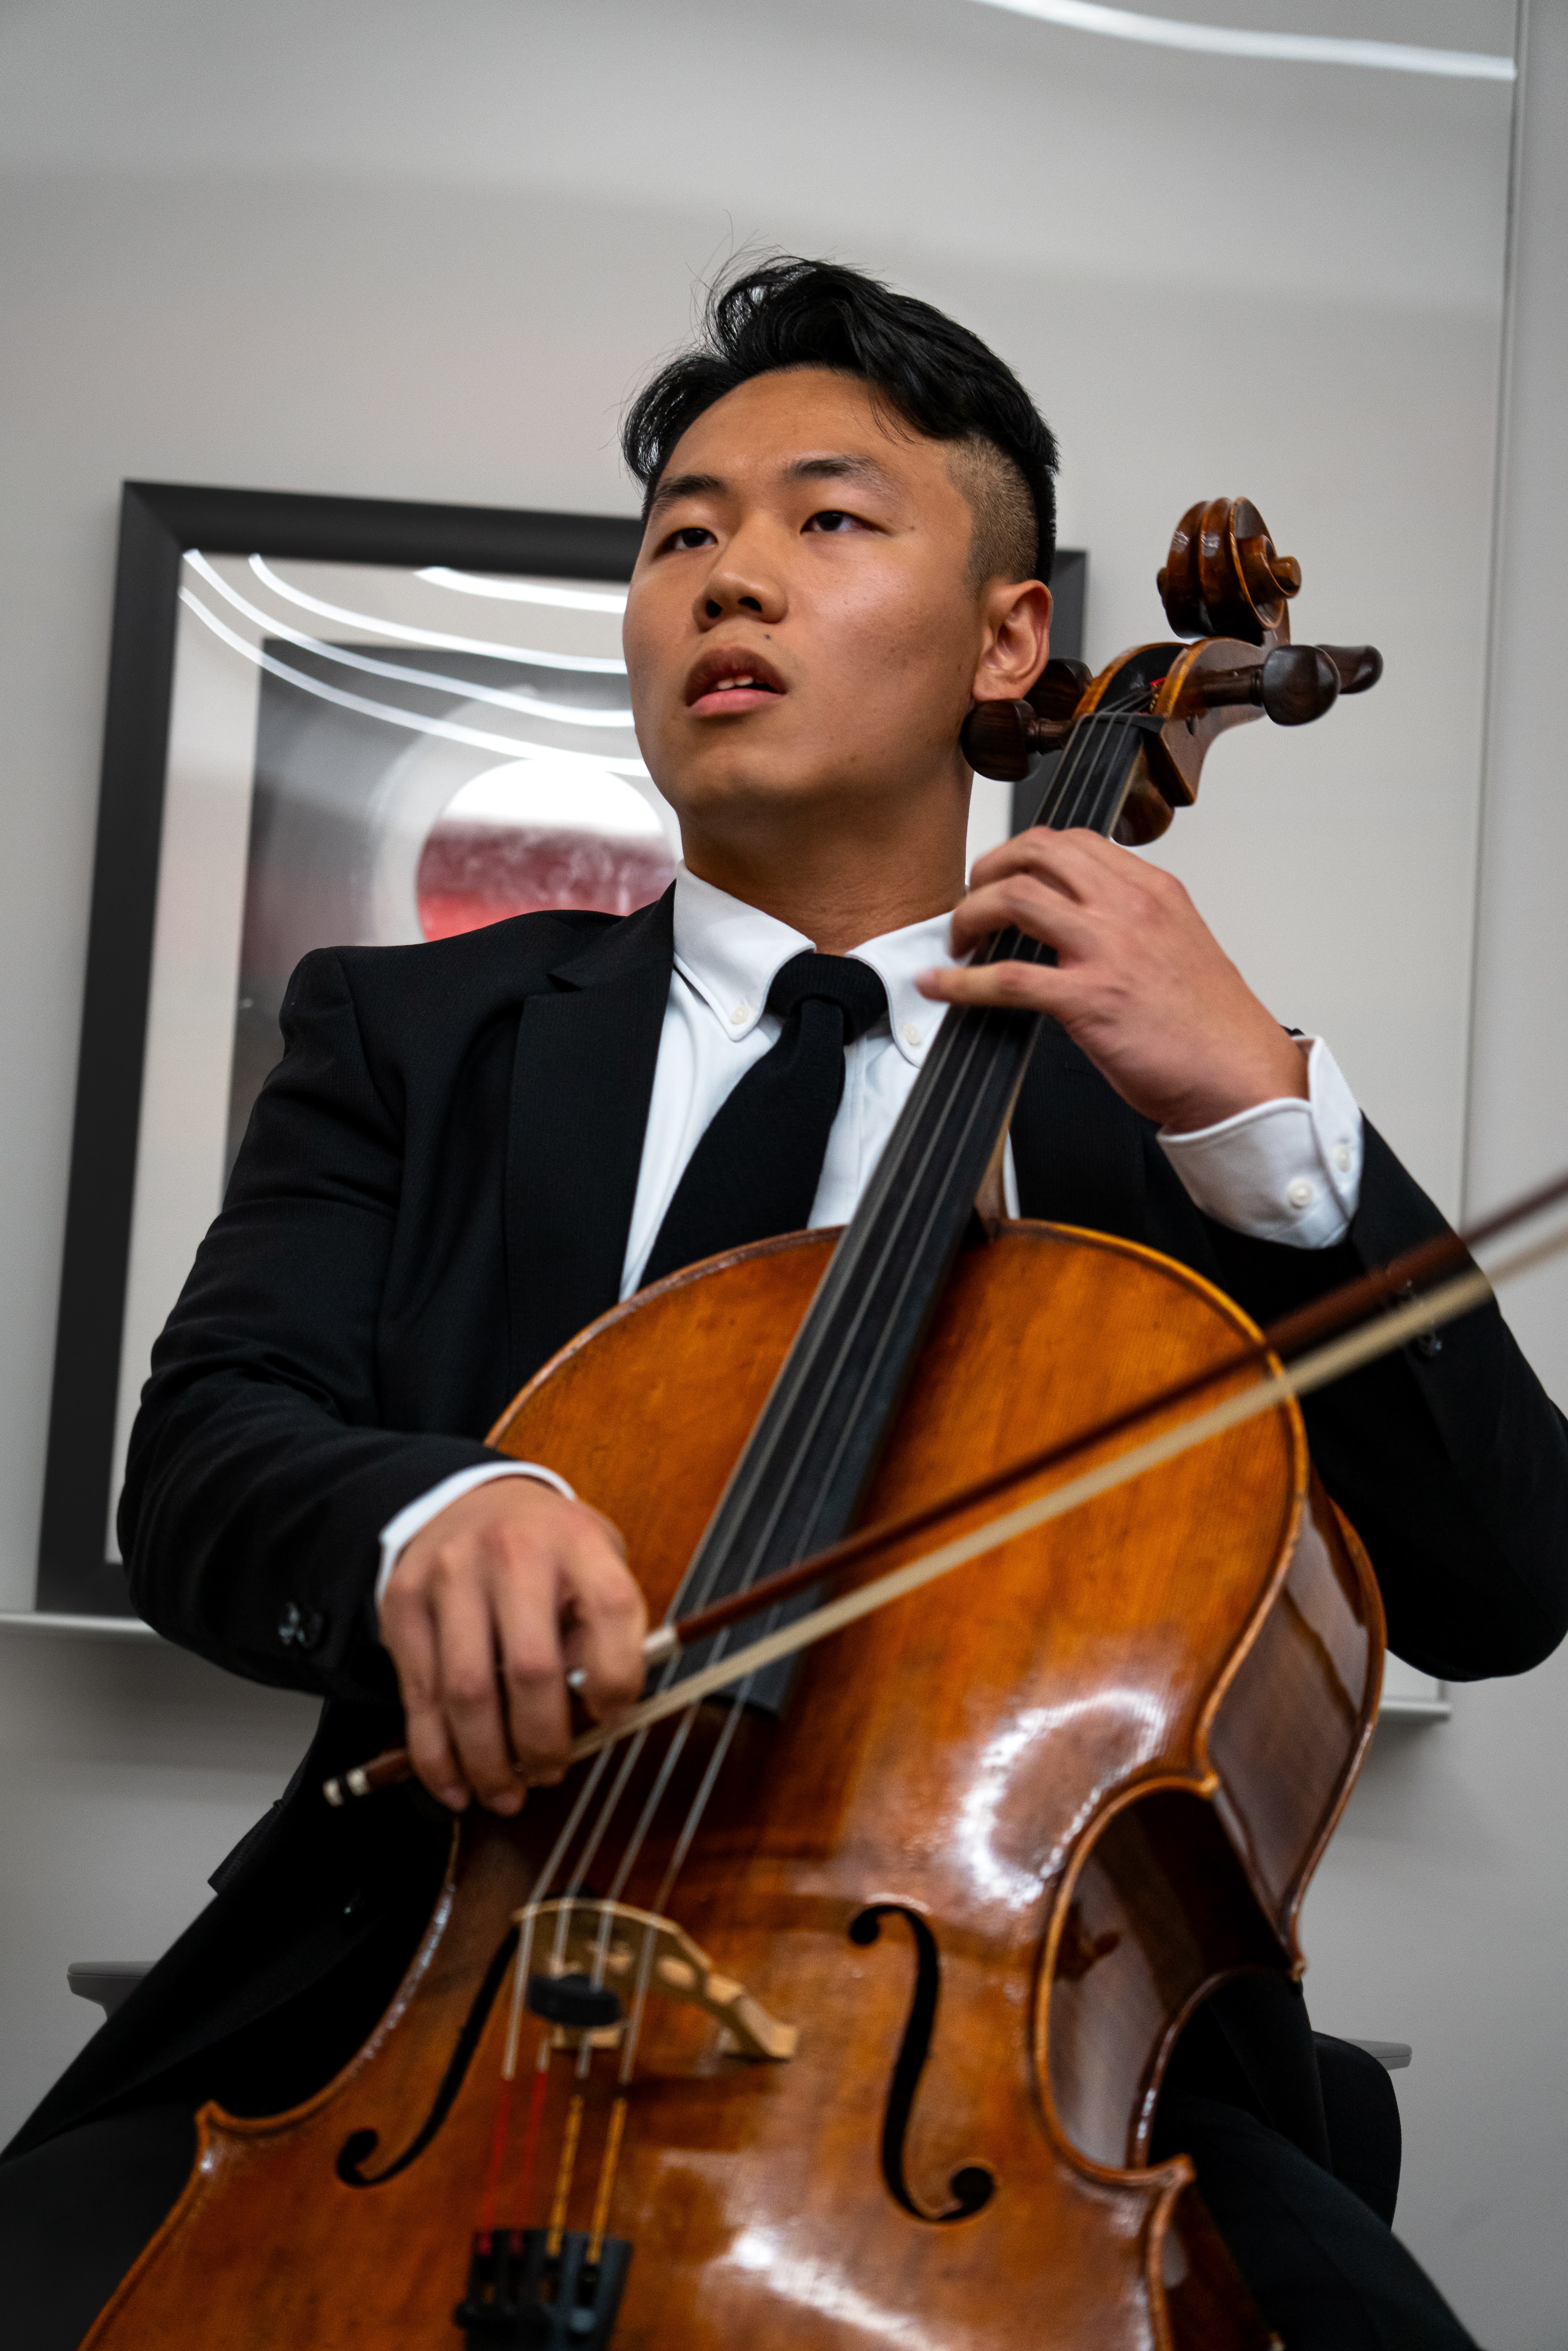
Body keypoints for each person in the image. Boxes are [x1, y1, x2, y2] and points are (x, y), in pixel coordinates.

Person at [4, 257, 1565, 2351]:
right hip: (399, 2008)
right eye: (680, 537)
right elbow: (207, 1457)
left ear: (1013, 639)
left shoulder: (1162, 1102)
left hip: (1019, 2078)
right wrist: (418, 1518)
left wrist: (1263, 1116)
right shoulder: (409, 1030)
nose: (729, 577)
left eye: (828, 520)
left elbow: (1500, 1575)